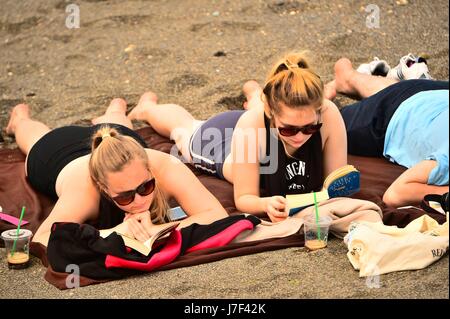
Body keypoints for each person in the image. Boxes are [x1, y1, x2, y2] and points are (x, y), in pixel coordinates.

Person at [126, 52, 348, 222]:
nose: (300, 137)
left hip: (256, 120)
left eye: (309, 128)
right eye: (289, 130)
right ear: (270, 111)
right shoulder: (252, 127)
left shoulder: (328, 115)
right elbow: (244, 199)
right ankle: (147, 109)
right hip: (222, 141)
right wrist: (265, 204)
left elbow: (336, 185)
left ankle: (253, 93)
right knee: (184, 129)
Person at [5, 97, 229, 247]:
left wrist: (156, 230)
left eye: (145, 187)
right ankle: (20, 120)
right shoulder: (84, 192)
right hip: (58, 152)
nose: (139, 200)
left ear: (149, 169)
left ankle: (115, 109)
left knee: (114, 128)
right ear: (103, 188)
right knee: (35, 138)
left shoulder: (165, 165)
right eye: (125, 196)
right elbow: (42, 238)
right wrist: (118, 231)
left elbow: (216, 214)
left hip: (115, 137)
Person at [324, 57, 449, 208]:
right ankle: (341, 83)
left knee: (402, 90)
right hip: (395, 114)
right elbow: (395, 194)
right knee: (326, 121)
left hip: (435, 94)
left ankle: (349, 78)